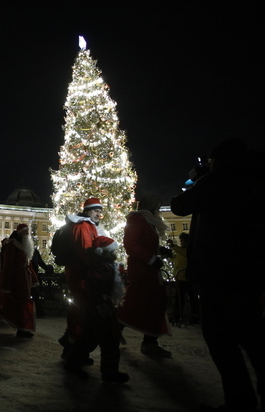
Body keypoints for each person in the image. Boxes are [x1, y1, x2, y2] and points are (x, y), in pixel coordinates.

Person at [171, 138, 265, 412]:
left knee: (221, 340)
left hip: (218, 272)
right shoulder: (255, 182)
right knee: (253, 334)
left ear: (218, 162)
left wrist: (200, 179)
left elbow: (179, 205)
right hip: (250, 272)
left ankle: (239, 401)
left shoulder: (217, 181)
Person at [116, 194, 172, 357]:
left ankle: (148, 340)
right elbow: (131, 244)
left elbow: (144, 243)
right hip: (142, 270)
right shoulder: (138, 220)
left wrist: (160, 251)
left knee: (150, 302)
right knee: (140, 302)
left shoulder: (148, 221)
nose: (159, 210)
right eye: (157, 206)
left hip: (147, 269)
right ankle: (146, 342)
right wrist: (152, 258)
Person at [59, 197, 104, 376]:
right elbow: (86, 252)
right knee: (82, 312)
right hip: (81, 275)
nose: (99, 214)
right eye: (95, 211)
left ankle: (72, 349)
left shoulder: (89, 225)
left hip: (84, 275)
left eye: (100, 211)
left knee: (82, 312)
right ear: (87, 211)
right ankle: (73, 354)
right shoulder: (82, 226)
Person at [77, 235, 129, 383]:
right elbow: (94, 286)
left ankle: (73, 362)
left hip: (97, 306)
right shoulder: (102, 266)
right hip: (99, 307)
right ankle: (109, 371)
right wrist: (101, 304)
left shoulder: (104, 264)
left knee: (89, 337)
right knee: (109, 339)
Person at [0, 224, 39, 338]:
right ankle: (21, 329)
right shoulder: (13, 245)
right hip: (16, 280)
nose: (28, 234)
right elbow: (8, 265)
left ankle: (21, 327)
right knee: (19, 304)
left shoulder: (24, 245)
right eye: (26, 232)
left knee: (22, 303)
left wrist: (33, 278)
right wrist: (6, 285)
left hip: (24, 279)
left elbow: (27, 264)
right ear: (20, 233)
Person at [167, 232, 199, 325]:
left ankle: (194, 317)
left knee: (192, 299)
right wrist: (169, 256)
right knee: (178, 299)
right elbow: (176, 259)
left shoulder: (189, 250)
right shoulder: (181, 250)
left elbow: (184, 254)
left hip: (188, 278)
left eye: (182, 240)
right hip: (180, 278)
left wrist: (173, 245)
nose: (180, 242)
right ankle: (177, 317)